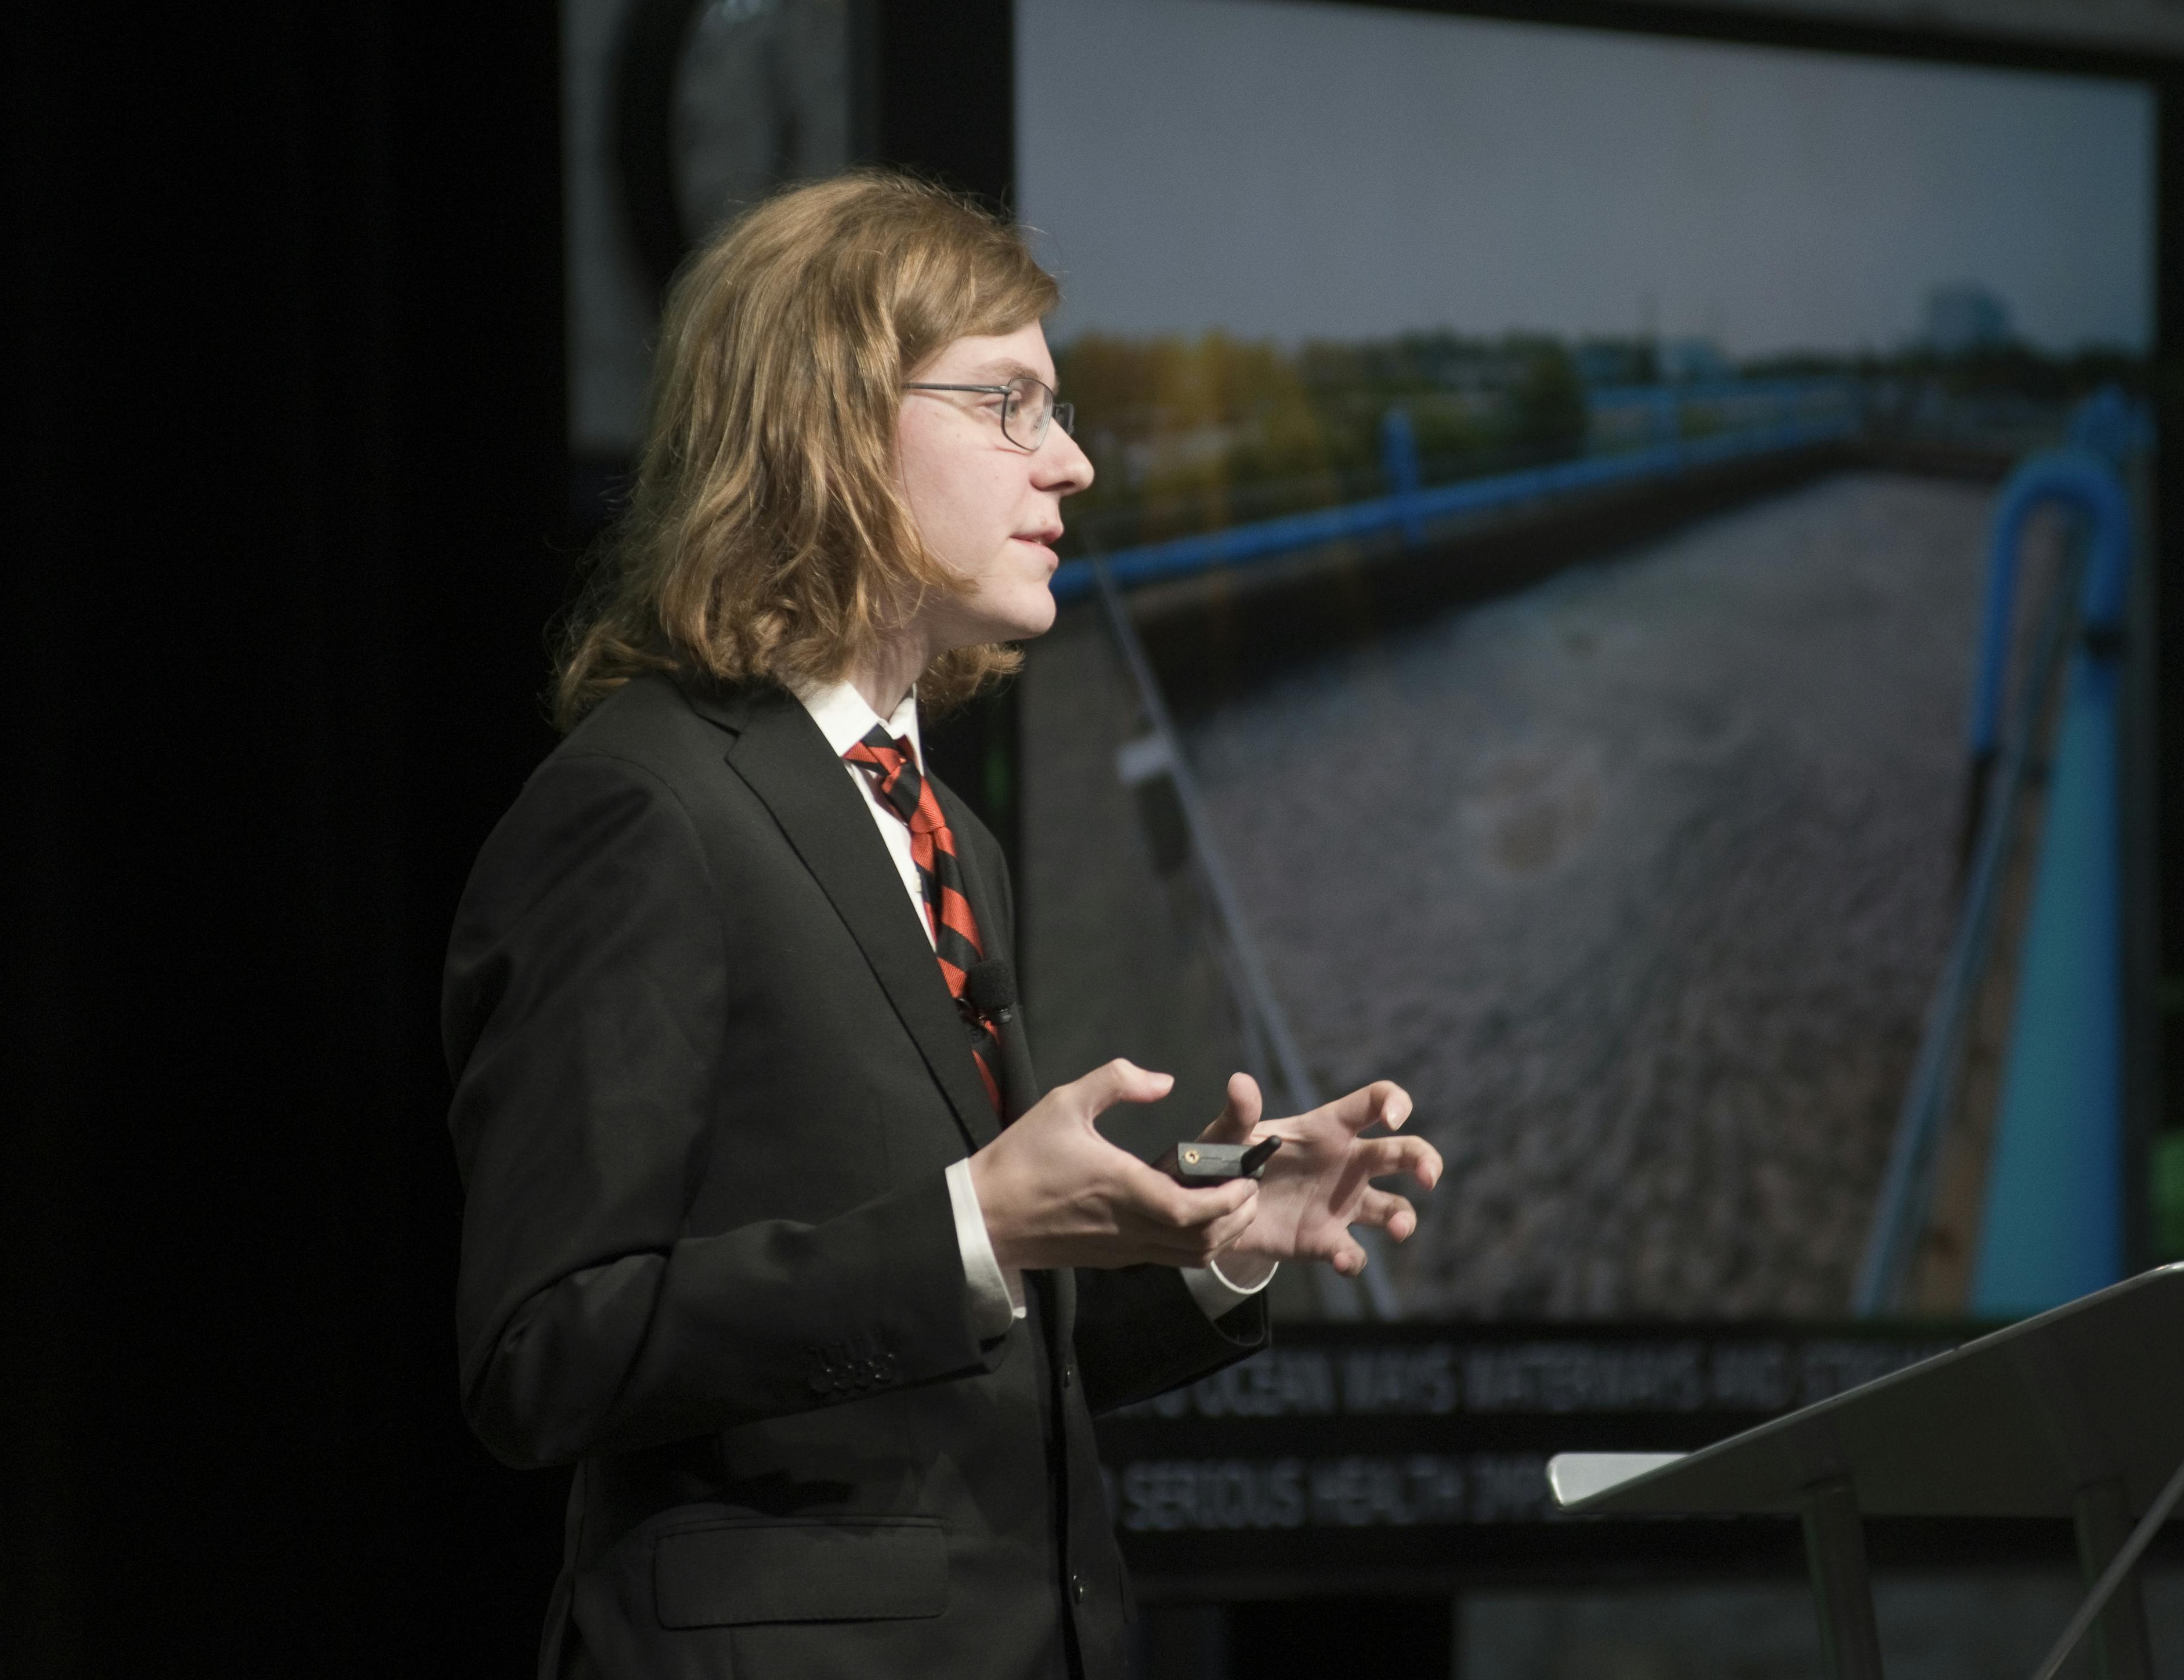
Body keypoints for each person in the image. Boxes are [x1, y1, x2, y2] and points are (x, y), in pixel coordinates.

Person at [443, 170, 1444, 1679]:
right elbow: (544, 1356)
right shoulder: (644, 810)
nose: (1077, 466)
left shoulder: (944, 828)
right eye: (1012, 407)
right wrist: (974, 1222)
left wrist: (1214, 1240)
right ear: (832, 422)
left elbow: (975, 1343)